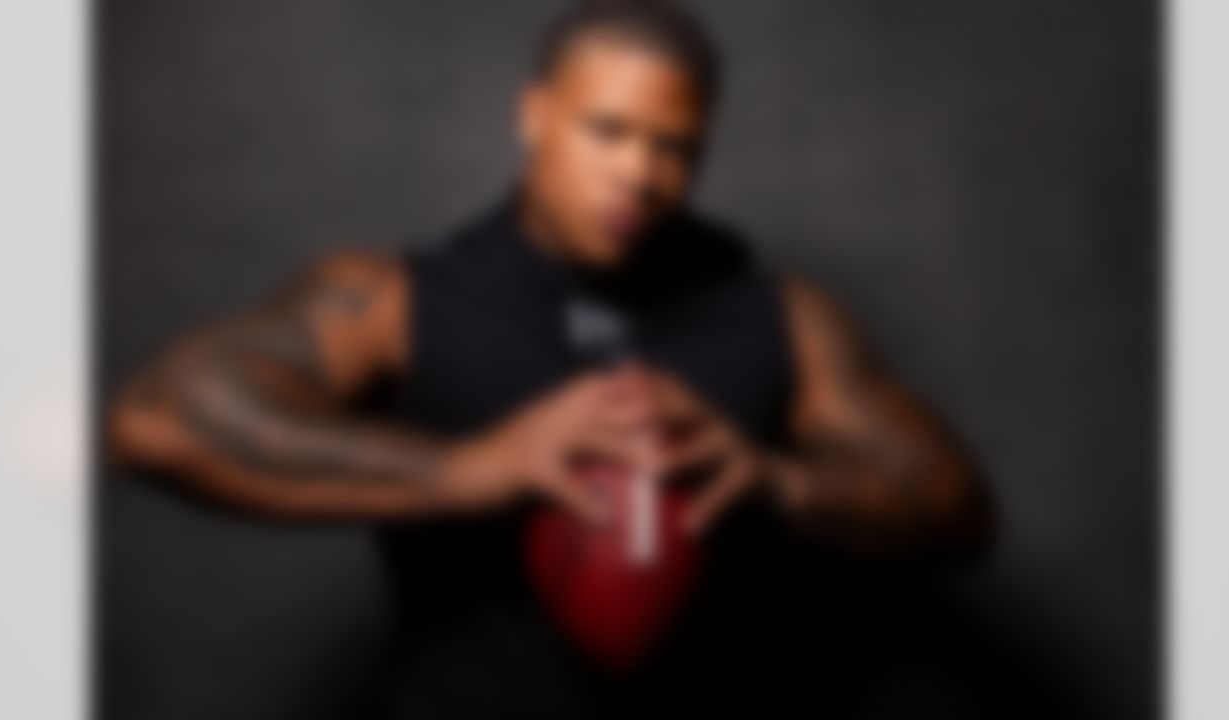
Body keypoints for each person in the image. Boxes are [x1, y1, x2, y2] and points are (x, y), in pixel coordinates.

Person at [108, 1, 994, 717]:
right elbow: (155, 420)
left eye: (673, 146)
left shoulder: (782, 316)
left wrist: (775, 481)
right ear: (533, 114)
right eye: (605, 131)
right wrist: (467, 469)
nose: (638, 175)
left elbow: (959, 509)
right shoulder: (396, 302)